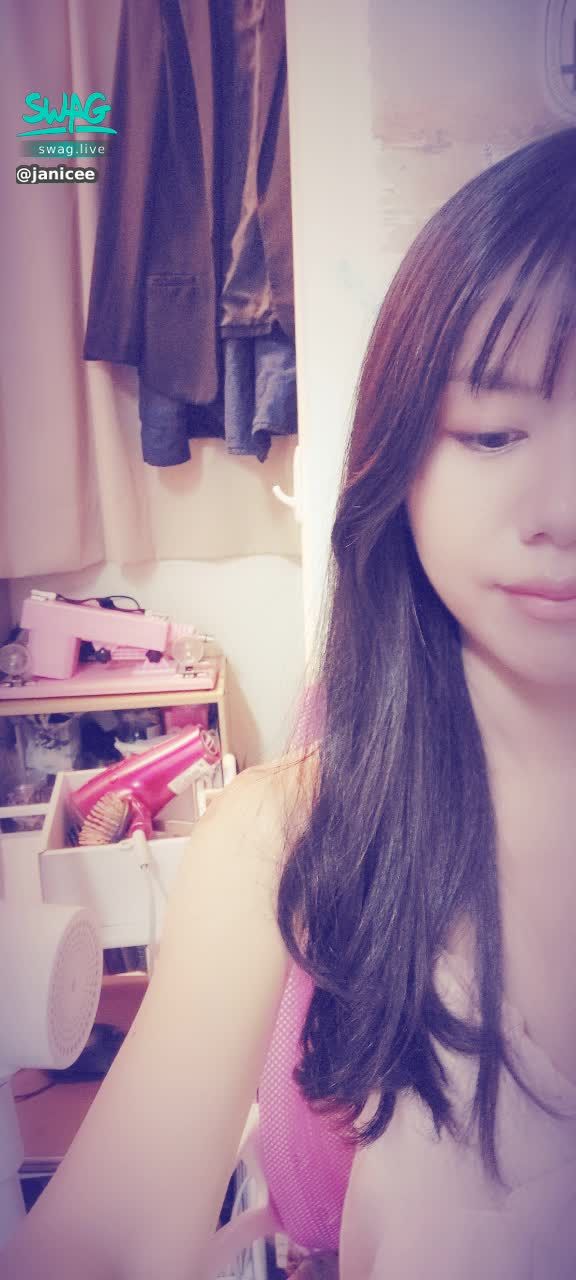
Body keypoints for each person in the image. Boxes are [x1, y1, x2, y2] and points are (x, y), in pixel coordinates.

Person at [2, 125, 576, 1279]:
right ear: (398, 463)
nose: (560, 508)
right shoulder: (282, 837)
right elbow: (106, 1243)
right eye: (493, 431)